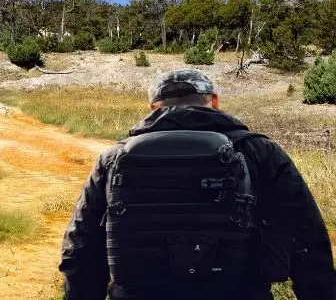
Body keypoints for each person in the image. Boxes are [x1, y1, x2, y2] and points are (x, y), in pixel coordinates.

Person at [59, 69, 334, 300]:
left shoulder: (114, 157)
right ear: (214, 101)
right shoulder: (260, 151)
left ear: (153, 107)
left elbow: (81, 245)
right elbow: (307, 237)